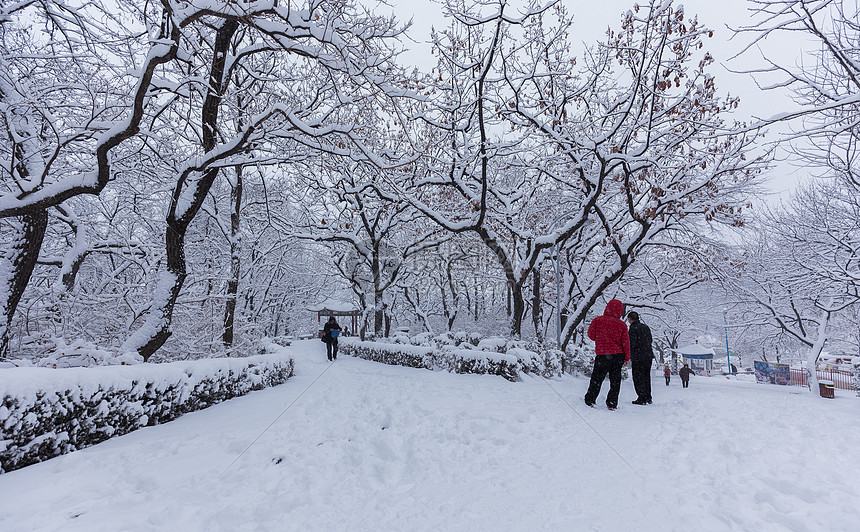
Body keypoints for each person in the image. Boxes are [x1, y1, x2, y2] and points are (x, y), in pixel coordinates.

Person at [584, 299, 630, 410]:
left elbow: (591, 336)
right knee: (615, 381)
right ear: (620, 311)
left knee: (597, 378)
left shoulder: (597, 320)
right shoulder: (622, 325)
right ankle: (612, 403)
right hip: (617, 355)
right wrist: (627, 358)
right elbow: (626, 343)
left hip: (602, 354)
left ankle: (590, 400)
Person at [627, 311, 654, 405]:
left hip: (638, 356)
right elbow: (650, 340)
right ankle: (648, 397)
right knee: (646, 376)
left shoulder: (633, 328)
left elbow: (632, 343)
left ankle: (641, 397)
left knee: (638, 377)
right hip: (648, 355)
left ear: (630, 319)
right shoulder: (646, 327)